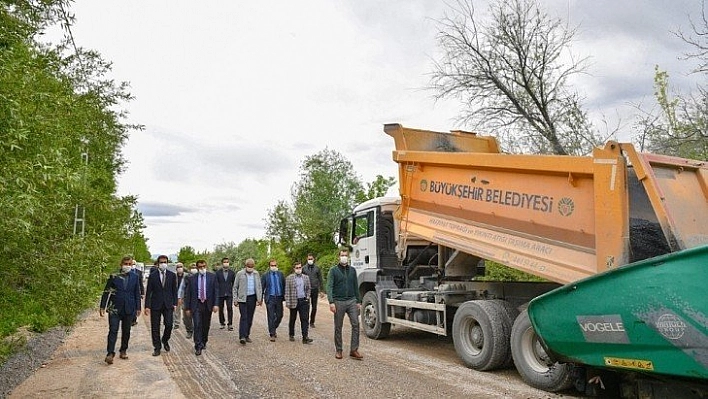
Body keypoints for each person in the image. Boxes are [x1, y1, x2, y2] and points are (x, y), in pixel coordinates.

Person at [99, 256, 142, 364]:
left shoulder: (135, 277)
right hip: (114, 308)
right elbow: (106, 291)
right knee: (113, 330)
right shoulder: (114, 276)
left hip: (129, 308)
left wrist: (138, 307)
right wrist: (102, 306)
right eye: (125, 263)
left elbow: (137, 293)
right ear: (121, 264)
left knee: (126, 331)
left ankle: (123, 350)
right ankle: (110, 353)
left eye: (129, 264)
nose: (127, 266)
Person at [327, 248, 363, 360]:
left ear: (348, 256)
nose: (344, 257)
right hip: (339, 301)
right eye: (342, 255)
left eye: (345, 255)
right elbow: (329, 286)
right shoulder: (333, 271)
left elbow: (355, 286)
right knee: (338, 326)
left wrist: (358, 301)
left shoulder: (352, 270)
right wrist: (331, 302)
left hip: (352, 300)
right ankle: (339, 350)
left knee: (356, 324)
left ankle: (354, 349)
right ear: (339, 256)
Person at [183, 259, 219, 356]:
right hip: (196, 304)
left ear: (206, 266)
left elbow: (216, 291)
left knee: (206, 325)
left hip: (208, 304)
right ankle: (197, 346)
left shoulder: (212, 277)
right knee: (197, 325)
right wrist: (187, 308)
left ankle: (204, 341)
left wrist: (216, 304)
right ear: (197, 267)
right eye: (200, 267)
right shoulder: (192, 278)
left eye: (204, 266)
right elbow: (188, 293)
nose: (202, 268)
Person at [145, 254, 178, 356]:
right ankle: (157, 347)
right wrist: (147, 306)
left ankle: (165, 340)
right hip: (156, 304)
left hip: (168, 304)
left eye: (165, 262)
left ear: (167, 263)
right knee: (155, 327)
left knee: (169, 325)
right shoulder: (152, 276)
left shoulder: (172, 275)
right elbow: (149, 291)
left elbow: (174, 290)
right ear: (158, 264)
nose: (163, 264)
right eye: (161, 262)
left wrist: (175, 303)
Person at [233, 258, 262, 344]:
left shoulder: (256, 274)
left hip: (252, 298)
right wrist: (235, 299)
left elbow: (259, 287)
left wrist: (259, 299)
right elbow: (235, 287)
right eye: (249, 266)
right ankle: (242, 336)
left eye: (252, 266)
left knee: (250, 318)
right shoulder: (240, 274)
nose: (250, 268)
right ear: (245, 266)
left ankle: (247, 335)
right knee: (244, 317)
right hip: (242, 299)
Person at [285, 261, 313, 344]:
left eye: (300, 267)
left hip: (303, 301)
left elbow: (308, 289)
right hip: (294, 301)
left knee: (304, 319)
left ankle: (305, 337)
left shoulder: (306, 278)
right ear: (294, 269)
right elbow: (287, 291)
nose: (298, 269)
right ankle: (291, 334)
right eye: (297, 268)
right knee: (293, 318)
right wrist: (288, 302)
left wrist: (307, 298)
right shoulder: (289, 278)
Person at [261, 259, 285, 341]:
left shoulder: (281, 274)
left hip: (279, 298)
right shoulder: (265, 275)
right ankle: (272, 333)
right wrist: (260, 299)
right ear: (269, 266)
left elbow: (284, 285)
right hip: (270, 298)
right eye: (272, 265)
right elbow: (262, 287)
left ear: (277, 265)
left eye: (275, 265)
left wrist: (285, 297)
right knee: (271, 316)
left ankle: (273, 327)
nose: (273, 267)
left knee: (280, 315)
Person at [301, 253, 324, 328]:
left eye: (311, 259)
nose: (310, 260)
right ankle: (306, 321)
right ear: (307, 259)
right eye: (309, 259)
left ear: (313, 259)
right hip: (306, 290)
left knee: (314, 307)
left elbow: (320, 279)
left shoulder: (317, 268)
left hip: (315, 289)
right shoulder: (303, 268)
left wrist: (321, 290)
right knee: (306, 307)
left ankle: (312, 322)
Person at [215, 257, 236, 331]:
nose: (226, 263)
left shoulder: (232, 273)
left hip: (229, 293)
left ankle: (230, 324)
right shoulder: (217, 273)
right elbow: (216, 284)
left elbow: (234, 284)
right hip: (220, 293)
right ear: (222, 263)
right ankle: (222, 323)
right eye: (224, 262)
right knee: (221, 309)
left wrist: (234, 293)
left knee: (229, 308)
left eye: (227, 262)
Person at [177, 264, 197, 339]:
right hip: (187, 299)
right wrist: (179, 297)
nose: (194, 269)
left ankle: (197, 330)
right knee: (186, 317)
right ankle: (189, 330)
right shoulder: (186, 277)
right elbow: (182, 288)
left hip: (197, 300)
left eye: (195, 267)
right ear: (189, 269)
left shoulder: (200, 276)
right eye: (192, 268)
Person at [130, 259, 145, 326]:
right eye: (131, 264)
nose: (133, 265)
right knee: (131, 305)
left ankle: (134, 319)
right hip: (130, 291)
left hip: (137, 291)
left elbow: (141, 283)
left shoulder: (139, 272)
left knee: (136, 305)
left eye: (134, 264)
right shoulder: (128, 271)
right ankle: (131, 319)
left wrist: (142, 293)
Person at [173, 263, 185, 330]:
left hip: (185, 296)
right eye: (178, 267)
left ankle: (188, 323)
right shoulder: (174, 276)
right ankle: (176, 323)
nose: (180, 268)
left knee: (186, 310)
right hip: (176, 295)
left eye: (181, 267)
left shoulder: (186, 276)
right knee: (176, 311)